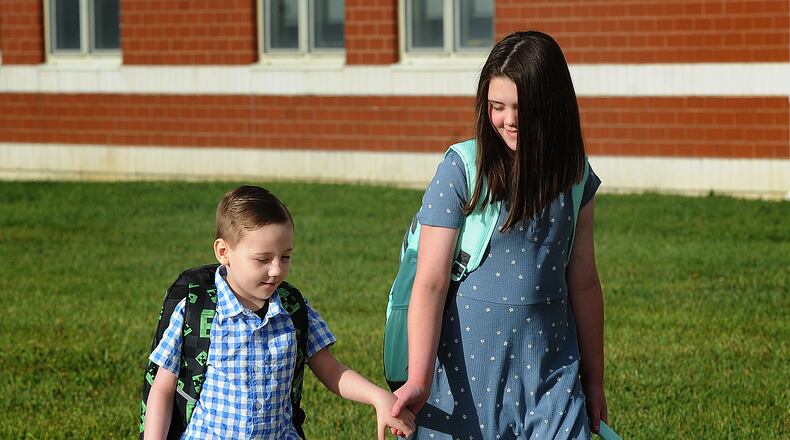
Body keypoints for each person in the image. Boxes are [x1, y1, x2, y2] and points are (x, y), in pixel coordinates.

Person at [389, 31, 608, 439]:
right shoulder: (461, 171)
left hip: (551, 371)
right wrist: (419, 379)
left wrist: (594, 382)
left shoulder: (575, 175)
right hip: (467, 377)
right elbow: (432, 282)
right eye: (497, 106)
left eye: (522, 108)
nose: (509, 120)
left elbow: (584, 282)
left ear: (553, 104)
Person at [144, 185, 414, 439]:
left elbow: (332, 371)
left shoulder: (293, 309)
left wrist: (377, 397)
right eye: (263, 259)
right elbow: (163, 389)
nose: (276, 270)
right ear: (224, 252)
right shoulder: (196, 310)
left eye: (285, 256)